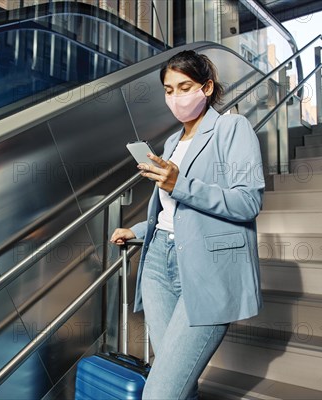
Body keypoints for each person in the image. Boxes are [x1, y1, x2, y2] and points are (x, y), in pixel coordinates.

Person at [110, 50, 265, 399]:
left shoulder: (232, 128)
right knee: (180, 383)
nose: (176, 97)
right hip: (156, 263)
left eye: (185, 86)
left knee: (161, 392)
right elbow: (172, 209)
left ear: (207, 87)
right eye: (169, 90)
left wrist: (179, 184)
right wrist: (136, 232)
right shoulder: (171, 142)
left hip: (208, 269)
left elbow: (248, 202)